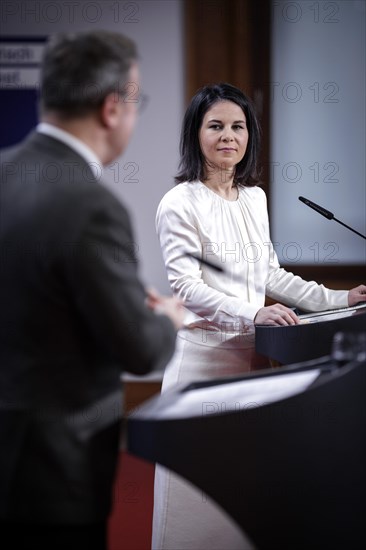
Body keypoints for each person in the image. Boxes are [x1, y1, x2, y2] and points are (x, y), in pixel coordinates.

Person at [151, 82, 366, 549]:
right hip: (203, 364)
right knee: (197, 503)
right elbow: (187, 288)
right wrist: (256, 313)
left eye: (238, 126)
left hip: (253, 360)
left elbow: (271, 273)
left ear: (250, 135)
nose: (228, 136)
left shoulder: (254, 198)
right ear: (196, 134)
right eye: (216, 126)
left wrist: (339, 300)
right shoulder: (179, 203)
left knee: (245, 498)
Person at [0, 30, 185, 550]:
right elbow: (142, 349)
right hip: (55, 469)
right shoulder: (91, 206)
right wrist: (166, 318)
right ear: (111, 108)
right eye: (136, 101)